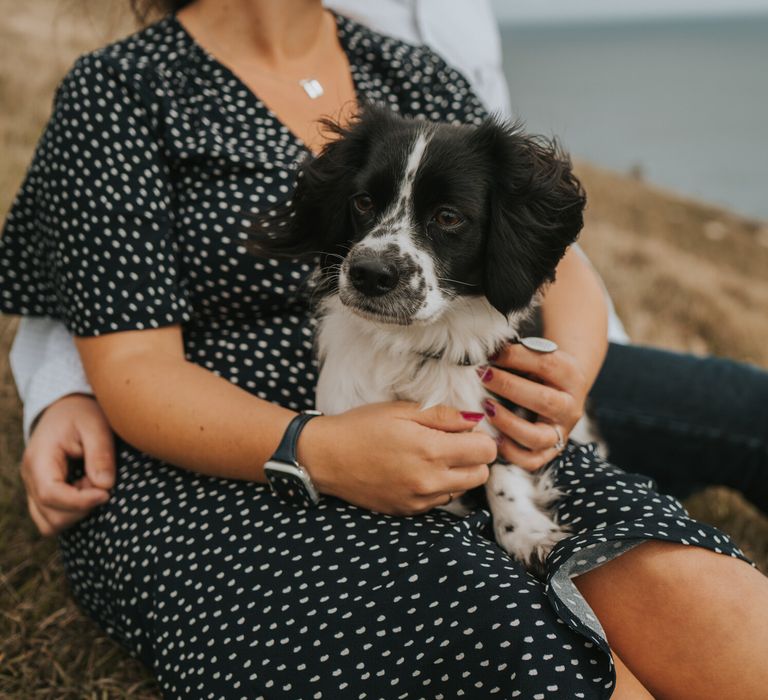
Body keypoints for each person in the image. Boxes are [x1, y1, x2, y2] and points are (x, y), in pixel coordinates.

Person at [1, 0, 767, 697]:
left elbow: (551, 265)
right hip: (232, 455)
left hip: (472, 403)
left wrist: (560, 383)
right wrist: (318, 450)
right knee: (518, 648)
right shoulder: (122, 91)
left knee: (708, 605)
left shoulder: (410, 68)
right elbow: (134, 369)